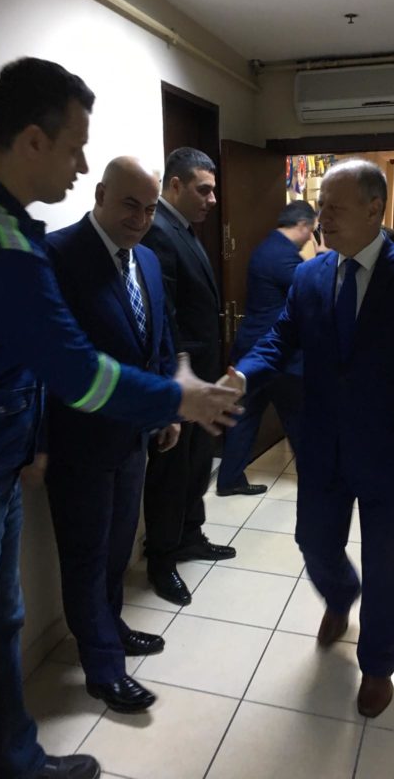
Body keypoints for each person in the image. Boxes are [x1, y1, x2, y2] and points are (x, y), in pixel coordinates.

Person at [0, 58, 240, 779]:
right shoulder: (0, 240)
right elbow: (75, 369)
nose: (80, 166)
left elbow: (17, 358)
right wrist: (180, 398)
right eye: (76, 148)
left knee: (2, 627)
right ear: (33, 141)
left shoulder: (0, 219)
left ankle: (17, 760)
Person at [231, 158, 394, 719]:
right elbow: (280, 339)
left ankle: (379, 664)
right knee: (313, 540)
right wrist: (241, 375)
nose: (322, 218)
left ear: (375, 209)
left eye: (334, 207)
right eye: (320, 207)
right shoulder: (310, 275)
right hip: (322, 444)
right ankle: (339, 594)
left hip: (389, 453)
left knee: (388, 564)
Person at [45, 157, 180, 713]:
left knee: (118, 548)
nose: (140, 220)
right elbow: (46, 359)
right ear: (100, 194)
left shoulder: (146, 259)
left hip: (133, 440)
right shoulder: (57, 256)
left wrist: (167, 408)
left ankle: (111, 626)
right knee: (86, 554)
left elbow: (159, 340)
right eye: (130, 205)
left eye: (149, 210)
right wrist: (38, 443)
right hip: (78, 442)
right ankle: (102, 667)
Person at [141, 147, 236, 607]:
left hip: (202, 374)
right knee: (171, 472)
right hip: (181, 379)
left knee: (197, 463)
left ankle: (190, 536)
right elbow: (166, 315)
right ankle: (161, 559)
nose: (212, 200)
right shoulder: (159, 231)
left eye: (213, 190)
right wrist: (179, 378)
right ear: (175, 185)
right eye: (204, 190)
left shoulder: (184, 228)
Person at [216, 200, 317, 496]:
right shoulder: (282, 256)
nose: (311, 238)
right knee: (299, 419)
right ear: (302, 225)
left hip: (252, 350)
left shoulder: (267, 248)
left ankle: (229, 479)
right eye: (311, 231)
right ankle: (315, 480)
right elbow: (312, 290)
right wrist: (322, 256)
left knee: (244, 417)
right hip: (278, 354)